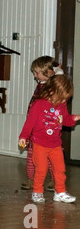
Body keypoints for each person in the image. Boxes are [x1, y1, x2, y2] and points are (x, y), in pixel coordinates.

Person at [19, 74, 80, 204]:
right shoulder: (39, 104)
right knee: (41, 169)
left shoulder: (61, 105)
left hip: (55, 144)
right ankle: (37, 191)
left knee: (60, 169)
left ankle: (60, 192)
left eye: (66, 99)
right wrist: (23, 136)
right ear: (51, 91)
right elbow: (29, 123)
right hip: (39, 144)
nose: (64, 101)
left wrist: (74, 118)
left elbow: (66, 121)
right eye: (62, 97)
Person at [21, 56, 64, 191]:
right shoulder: (41, 85)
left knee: (52, 155)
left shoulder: (54, 84)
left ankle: (54, 180)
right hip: (35, 127)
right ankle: (31, 178)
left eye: (36, 72)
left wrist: (56, 69)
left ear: (48, 72)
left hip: (49, 126)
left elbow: (59, 77)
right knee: (31, 155)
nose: (34, 76)